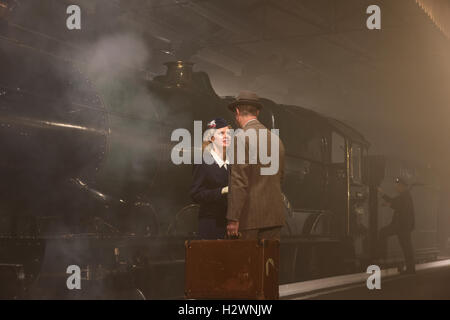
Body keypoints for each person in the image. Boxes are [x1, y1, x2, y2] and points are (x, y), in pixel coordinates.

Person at [225, 91, 285, 241]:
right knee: (268, 264)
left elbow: (239, 181)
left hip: (249, 220)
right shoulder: (276, 139)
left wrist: (233, 218)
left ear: (237, 111)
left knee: (246, 264)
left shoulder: (241, 138)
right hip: (275, 217)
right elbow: (281, 177)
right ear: (257, 112)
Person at [190, 118, 231, 239]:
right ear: (211, 138)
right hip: (210, 224)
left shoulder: (231, 163)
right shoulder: (203, 162)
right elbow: (195, 194)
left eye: (228, 133)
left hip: (229, 224)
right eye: (221, 133)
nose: (227, 136)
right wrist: (222, 191)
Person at [378, 177, 416, 274]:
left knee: (383, 233)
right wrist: (388, 203)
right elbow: (395, 202)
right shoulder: (405, 196)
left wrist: (382, 194)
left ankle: (381, 257)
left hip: (401, 226)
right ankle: (410, 268)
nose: (396, 187)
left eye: (397, 186)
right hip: (403, 226)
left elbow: (395, 202)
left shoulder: (405, 196)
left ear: (402, 186)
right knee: (406, 247)